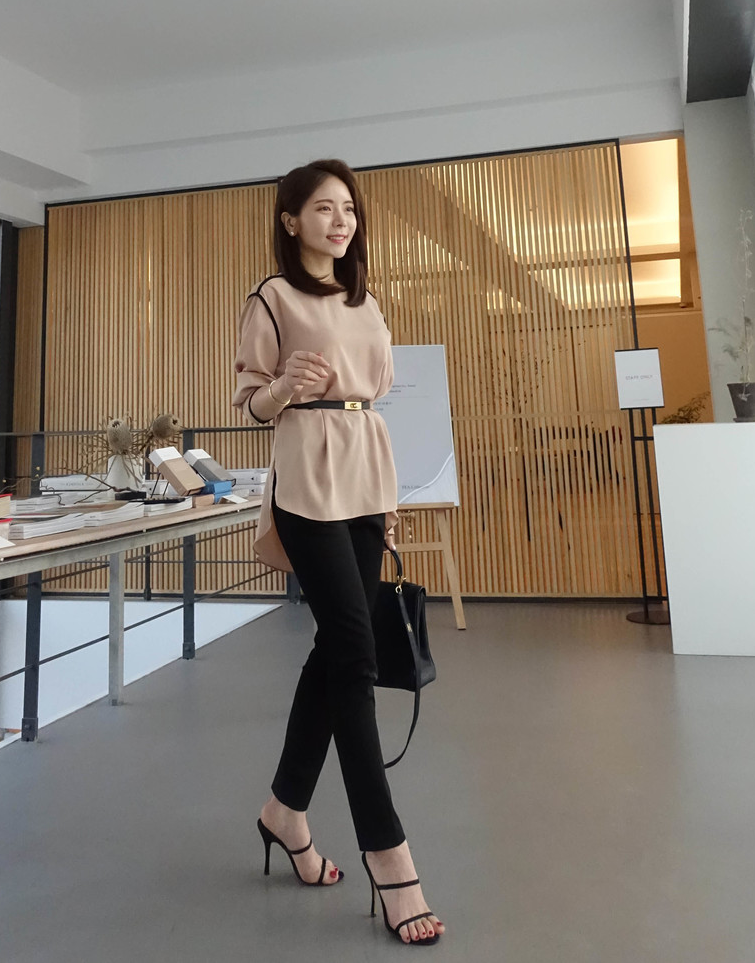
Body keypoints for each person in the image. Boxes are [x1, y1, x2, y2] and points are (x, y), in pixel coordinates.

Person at [233, 159, 445, 947]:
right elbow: (252, 402)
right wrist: (286, 383)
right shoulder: (272, 297)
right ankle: (390, 856)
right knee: (355, 652)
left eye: (348, 208)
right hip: (306, 474)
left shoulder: (366, 299)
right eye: (324, 208)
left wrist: (387, 502)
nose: (340, 219)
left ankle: (285, 810)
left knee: (337, 647)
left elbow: (373, 396)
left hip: (365, 468)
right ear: (291, 220)